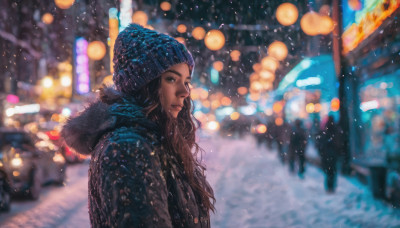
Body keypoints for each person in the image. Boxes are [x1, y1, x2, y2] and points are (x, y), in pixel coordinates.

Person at [61, 24, 215, 227]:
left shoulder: (153, 139)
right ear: (144, 85)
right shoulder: (128, 146)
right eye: (171, 79)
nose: (184, 92)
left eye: (186, 81)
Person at [318, 115, 339, 193]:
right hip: (333, 154)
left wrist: (322, 152)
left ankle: (328, 186)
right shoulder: (336, 129)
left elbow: (321, 143)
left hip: (326, 154)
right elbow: (338, 143)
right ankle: (332, 186)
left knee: (328, 171)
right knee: (332, 171)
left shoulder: (324, 130)